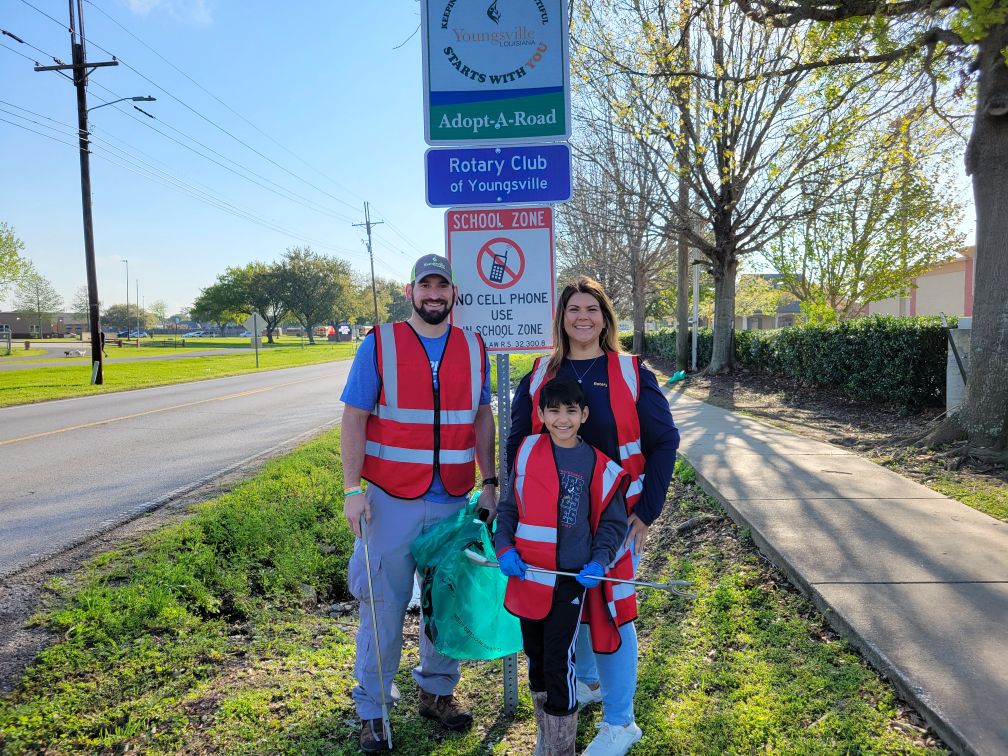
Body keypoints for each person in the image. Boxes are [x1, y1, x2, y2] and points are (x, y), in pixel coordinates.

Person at [508, 276, 681, 756]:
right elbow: (517, 443)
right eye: (573, 309)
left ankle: (621, 724)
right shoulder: (541, 373)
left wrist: (646, 513)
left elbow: (665, 441)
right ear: (561, 318)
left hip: (617, 519)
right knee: (575, 608)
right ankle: (587, 684)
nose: (582, 318)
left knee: (613, 613)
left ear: (605, 318)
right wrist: (513, 509)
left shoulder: (629, 371)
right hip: (556, 523)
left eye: (592, 309)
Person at [340, 253, 499, 753]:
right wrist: (351, 489)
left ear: (455, 294)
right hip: (389, 501)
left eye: (442, 286)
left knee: (444, 603)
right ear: (411, 291)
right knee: (383, 607)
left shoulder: (475, 347)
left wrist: (490, 482)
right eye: (425, 286)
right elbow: (354, 418)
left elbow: (481, 419)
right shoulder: (379, 343)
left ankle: (437, 691)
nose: (434, 294)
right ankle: (373, 709)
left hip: (453, 499)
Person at [494, 377, 629, 756]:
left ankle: (560, 749)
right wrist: (503, 547)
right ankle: (547, 736)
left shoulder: (598, 466)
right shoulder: (525, 452)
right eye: (553, 410)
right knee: (535, 658)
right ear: (541, 414)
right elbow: (508, 508)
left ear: (584, 414)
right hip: (527, 576)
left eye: (571, 410)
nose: (562, 419)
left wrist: (599, 561)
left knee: (558, 662)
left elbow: (613, 524)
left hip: (569, 581)